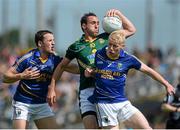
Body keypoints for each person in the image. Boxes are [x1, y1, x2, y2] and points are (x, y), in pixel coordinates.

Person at [47, 9, 136, 129]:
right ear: (84, 26)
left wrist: (118, 14)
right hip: (87, 91)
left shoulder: (108, 38)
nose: (97, 25)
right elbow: (62, 66)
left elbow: (131, 30)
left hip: (107, 91)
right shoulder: (76, 47)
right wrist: (52, 88)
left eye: (98, 23)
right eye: (93, 23)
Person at [84, 30, 175, 129]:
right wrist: (89, 73)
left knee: (147, 128)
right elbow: (97, 73)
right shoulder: (99, 54)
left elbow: (149, 71)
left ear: (122, 46)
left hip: (122, 102)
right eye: (110, 44)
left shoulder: (128, 59)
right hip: (104, 104)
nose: (111, 48)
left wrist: (167, 84)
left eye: (115, 46)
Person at [2, 30, 79, 129]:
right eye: (50, 40)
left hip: (41, 104)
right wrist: (22, 75)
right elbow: (5, 77)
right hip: (23, 103)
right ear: (40, 43)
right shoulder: (28, 58)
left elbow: (76, 68)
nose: (53, 43)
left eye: (53, 40)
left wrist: (89, 67)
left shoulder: (55, 59)